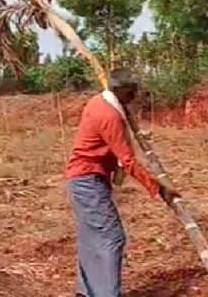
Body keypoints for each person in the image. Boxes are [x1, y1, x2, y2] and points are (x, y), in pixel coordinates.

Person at [65, 68, 181, 296]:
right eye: (132, 91)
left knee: (91, 237)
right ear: (121, 90)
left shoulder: (99, 101)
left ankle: (87, 291)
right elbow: (128, 161)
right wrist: (158, 188)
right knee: (112, 237)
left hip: (84, 178)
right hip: (87, 180)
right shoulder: (108, 116)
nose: (135, 95)